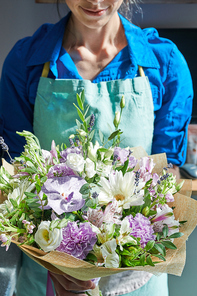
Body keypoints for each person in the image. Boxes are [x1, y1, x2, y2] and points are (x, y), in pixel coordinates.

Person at [0, 0, 193, 295]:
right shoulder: (26, 61)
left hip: (137, 277)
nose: (95, 1)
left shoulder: (163, 62)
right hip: (47, 277)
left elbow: (167, 182)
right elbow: (14, 181)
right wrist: (58, 267)